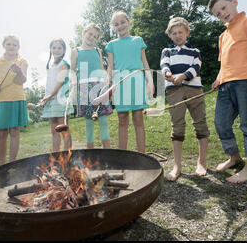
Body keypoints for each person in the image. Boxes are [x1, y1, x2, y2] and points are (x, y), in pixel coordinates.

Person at [208, 0, 247, 183]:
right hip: (225, 86)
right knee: (221, 122)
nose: (222, 14)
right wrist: (218, 78)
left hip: (245, 82)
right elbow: (224, 63)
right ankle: (234, 157)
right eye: (218, 14)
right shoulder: (223, 36)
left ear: (234, 2)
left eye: (224, 8)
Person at [160, 17, 210, 181]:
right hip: (174, 91)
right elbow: (164, 65)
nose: (177, 35)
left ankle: (201, 162)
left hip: (194, 89)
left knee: (200, 122)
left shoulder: (195, 51)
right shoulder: (166, 51)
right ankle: (177, 166)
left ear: (187, 32)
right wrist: (167, 74)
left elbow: (196, 67)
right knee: (177, 126)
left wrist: (184, 76)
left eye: (180, 32)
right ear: (169, 35)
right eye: (174, 33)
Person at [105, 11, 154, 153]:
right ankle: (122, 156)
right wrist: (108, 79)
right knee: (122, 119)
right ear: (113, 27)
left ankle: (142, 155)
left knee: (138, 118)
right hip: (120, 82)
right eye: (116, 24)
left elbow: (145, 63)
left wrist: (149, 81)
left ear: (129, 22)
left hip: (137, 80)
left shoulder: (138, 40)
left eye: (122, 22)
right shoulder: (111, 44)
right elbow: (110, 66)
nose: (120, 26)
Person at [0, 35, 28, 165]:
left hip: (17, 98)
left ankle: (12, 163)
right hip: (2, 99)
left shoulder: (22, 61)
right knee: (2, 132)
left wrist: (19, 72)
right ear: (3, 45)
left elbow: (23, 80)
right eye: (9, 44)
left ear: (18, 47)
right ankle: (1, 165)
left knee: (15, 131)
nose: (11, 47)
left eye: (14, 45)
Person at [71, 23, 113, 149]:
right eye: (90, 34)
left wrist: (107, 78)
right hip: (84, 88)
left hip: (100, 87)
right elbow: (72, 70)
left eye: (95, 37)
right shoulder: (76, 51)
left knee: (103, 121)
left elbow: (101, 68)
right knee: (89, 122)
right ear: (84, 33)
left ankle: (108, 153)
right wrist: (73, 80)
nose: (92, 37)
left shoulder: (97, 51)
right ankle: (91, 155)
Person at [38, 38, 73, 152]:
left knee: (63, 129)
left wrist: (50, 96)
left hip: (60, 99)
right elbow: (50, 84)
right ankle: (57, 156)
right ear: (50, 49)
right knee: (54, 131)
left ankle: (67, 155)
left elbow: (59, 83)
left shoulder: (64, 64)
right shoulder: (50, 65)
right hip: (50, 100)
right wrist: (46, 97)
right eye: (54, 47)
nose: (56, 50)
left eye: (59, 48)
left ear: (63, 51)